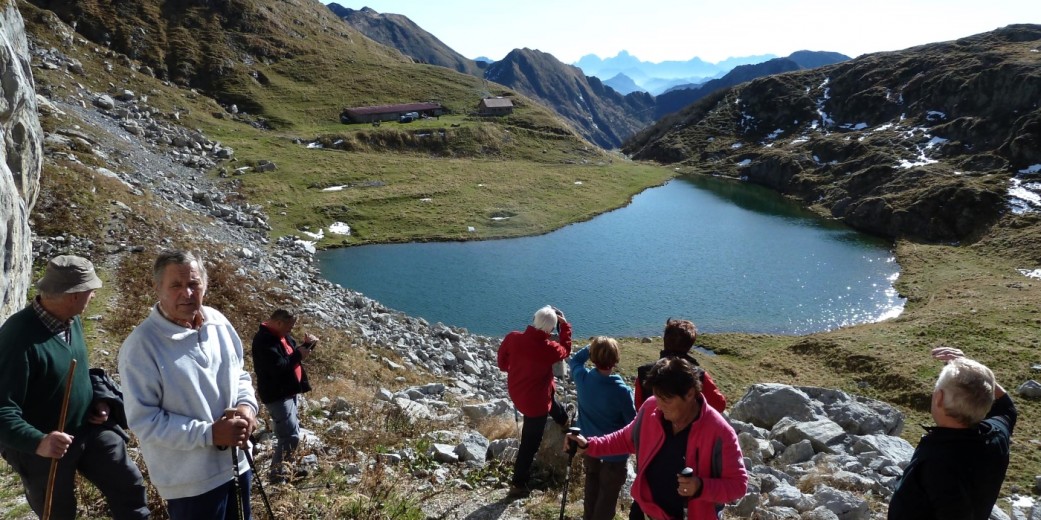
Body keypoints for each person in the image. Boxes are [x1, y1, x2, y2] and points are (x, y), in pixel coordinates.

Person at [0, 255, 150, 520]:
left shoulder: (71, 319)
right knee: (58, 512)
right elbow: (2, 410)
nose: (93, 296)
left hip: (86, 428)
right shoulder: (17, 339)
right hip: (42, 448)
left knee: (129, 485)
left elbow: (77, 370)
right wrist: (39, 441)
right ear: (73, 295)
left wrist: (98, 400)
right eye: (90, 291)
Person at [118, 250, 258, 520]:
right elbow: (144, 420)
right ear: (157, 288)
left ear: (205, 285)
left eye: (194, 284)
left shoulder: (218, 321)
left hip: (238, 465)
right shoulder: (141, 347)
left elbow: (240, 374)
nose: (187, 293)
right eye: (176, 285)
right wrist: (210, 434)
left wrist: (246, 408)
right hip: (190, 484)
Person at [567, 357, 747, 520]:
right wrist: (589, 445)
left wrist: (700, 487)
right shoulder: (651, 408)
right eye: (657, 396)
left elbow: (738, 486)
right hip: (646, 512)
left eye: (666, 400)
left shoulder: (720, 432)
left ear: (690, 394)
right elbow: (625, 439)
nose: (659, 405)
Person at [887, 347, 1016, 520]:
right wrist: (974, 371)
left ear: (938, 397)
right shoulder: (997, 435)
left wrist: (972, 369)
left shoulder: (936, 462)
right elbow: (1007, 407)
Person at [497, 305, 574, 498]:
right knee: (530, 443)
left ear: (534, 319)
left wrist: (513, 369)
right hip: (536, 405)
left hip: (519, 393)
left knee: (548, 394)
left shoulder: (513, 337)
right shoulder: (549, 348)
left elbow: (501, 363)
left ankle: (563, 419)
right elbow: (565, 350)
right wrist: (565, 326)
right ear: (550, 330)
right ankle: (518, 483)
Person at [567, 336, 637, 520]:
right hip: (615, 454)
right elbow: (632, 422)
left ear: (593, 358)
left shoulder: (582, 379)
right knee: (607, 496)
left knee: (591, 486)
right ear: (615, 360)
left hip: (589, 445)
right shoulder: (622, 391)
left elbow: (574, 361)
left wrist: (590, 349)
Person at [252, 308, 317, 484]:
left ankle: (286, 470)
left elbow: (289, 355)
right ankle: (277, 478)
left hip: (288, 392)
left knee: (292, 432)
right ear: (279, 322)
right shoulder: (264, 341)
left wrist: (305, 346)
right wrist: (298, 355)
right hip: (278, 395)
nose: (291, 330)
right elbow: (278, 368)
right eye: (289, 326)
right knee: (289, 436)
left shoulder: (281, 336)